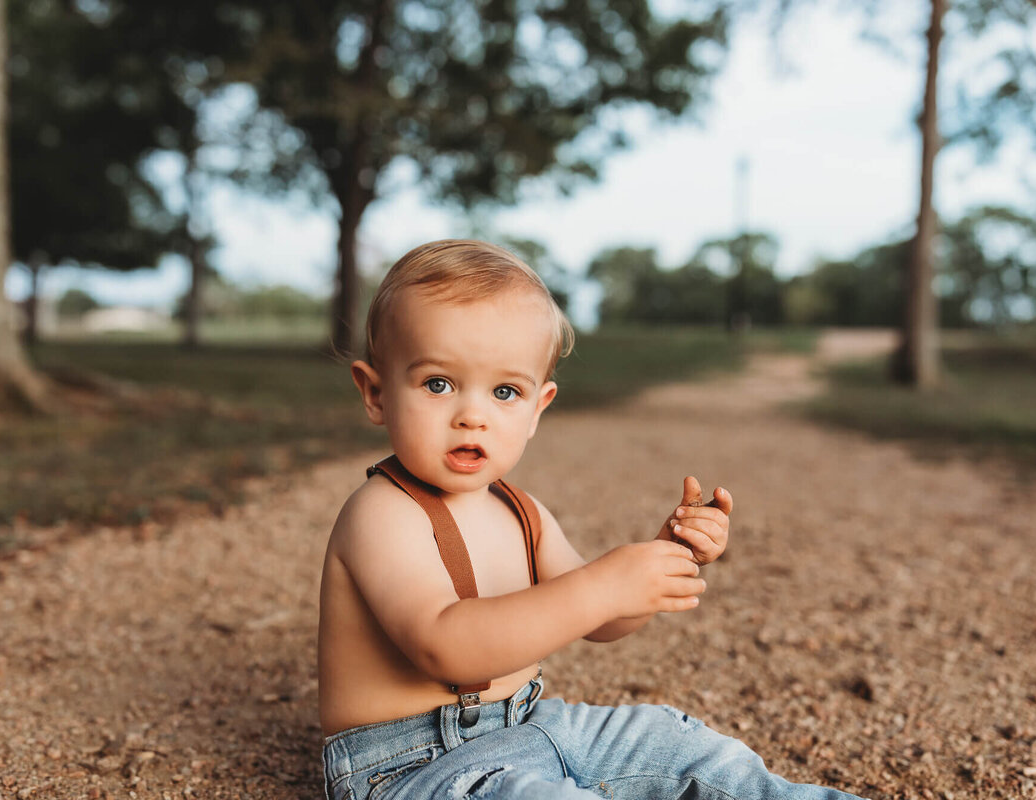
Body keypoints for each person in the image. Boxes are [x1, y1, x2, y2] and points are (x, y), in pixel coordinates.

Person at [317, 239, 864, 799]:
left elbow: (604, 620)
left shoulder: (521, 511)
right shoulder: (381, 512)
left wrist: (660, 560)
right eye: (438, 384)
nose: (473, 416)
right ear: (376, 393)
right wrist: (602, 587)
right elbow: (444, 646)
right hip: (412, 767)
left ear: (538, 408)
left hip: (531, 725)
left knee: (682, 749)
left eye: (505, 391)